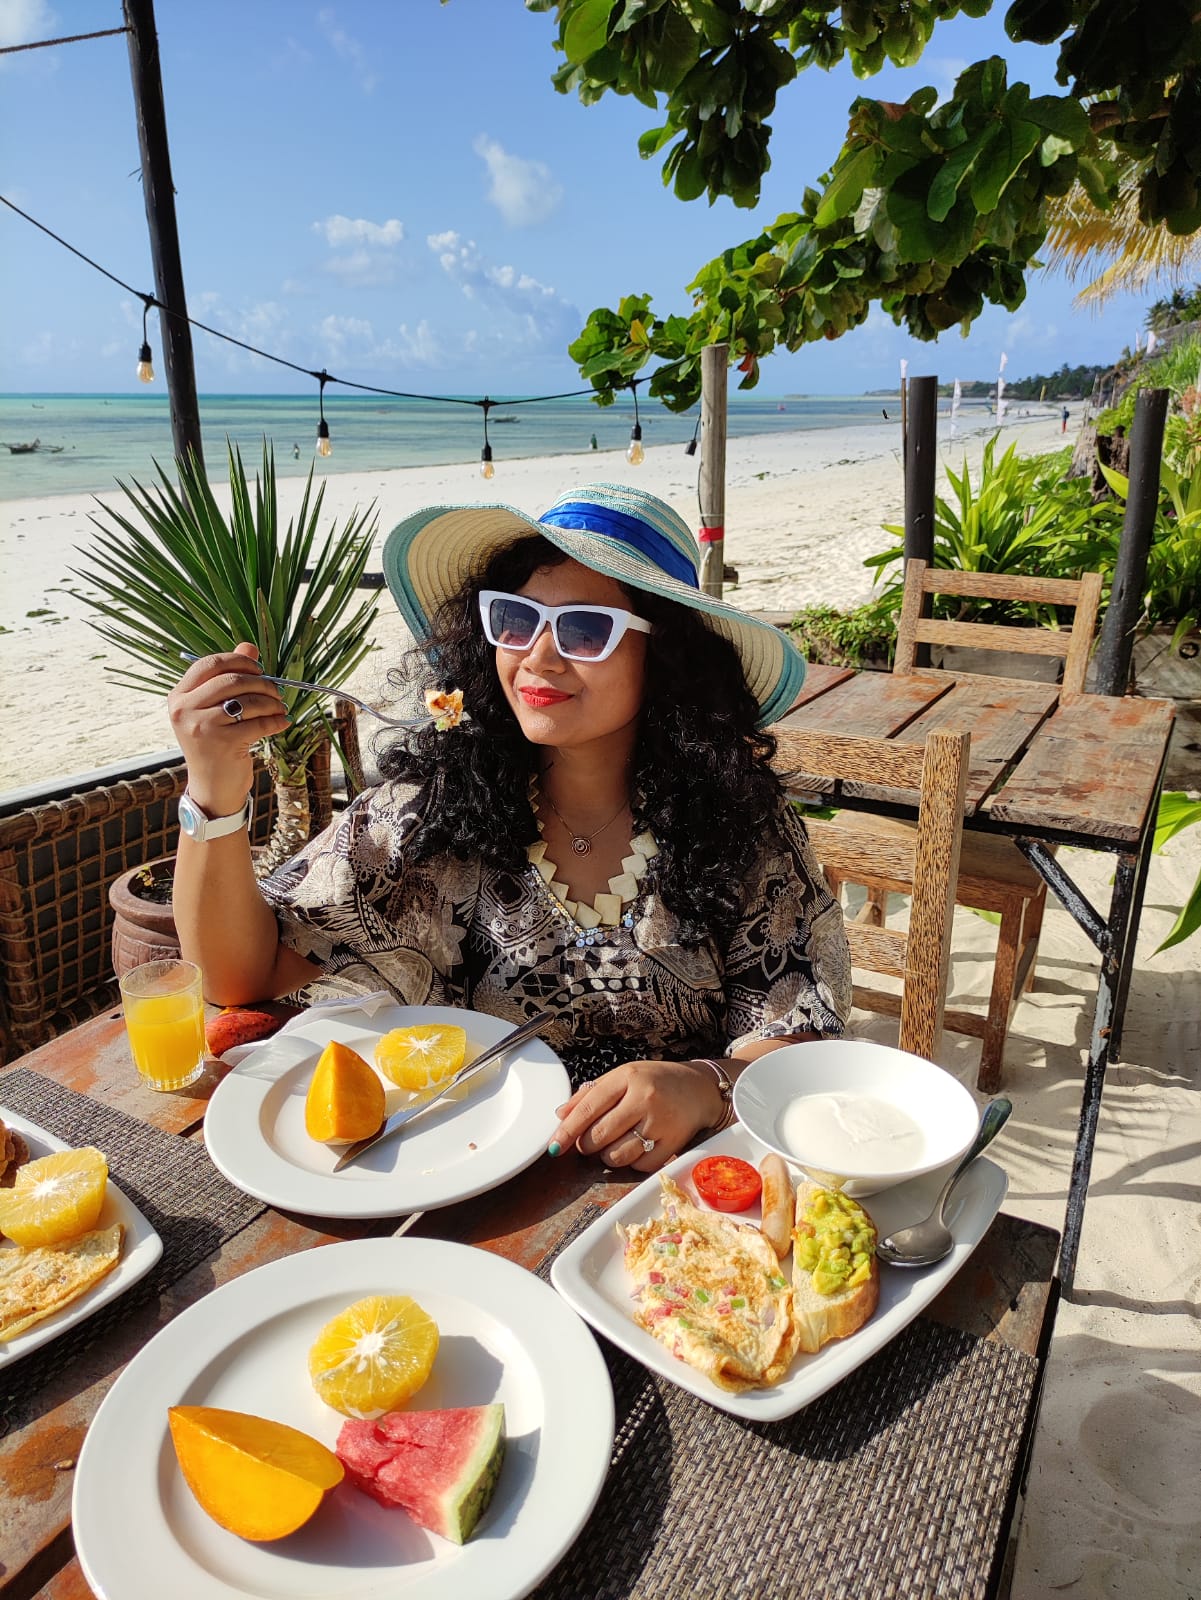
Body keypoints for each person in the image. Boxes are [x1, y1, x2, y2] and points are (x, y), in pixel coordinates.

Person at [168, 484, 851, 1170]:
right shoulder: (432, 809)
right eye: (516, 619)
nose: (539, 658)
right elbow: (238, 975)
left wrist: (706, 1086)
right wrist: (214, 791)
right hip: (460, 1177)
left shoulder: (739, 823)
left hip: (677, 1192)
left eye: (585, 630)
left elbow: (801, 1037)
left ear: (667, 656)